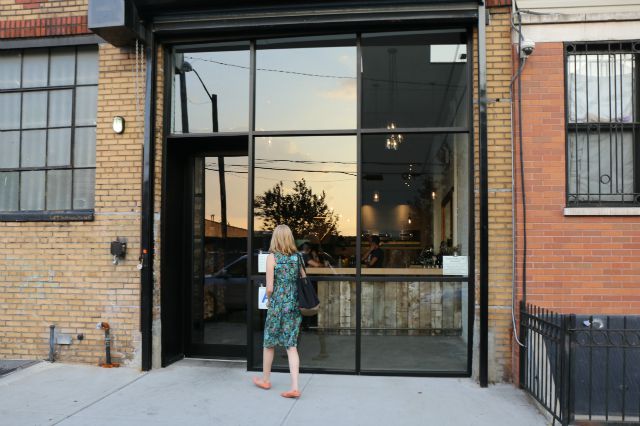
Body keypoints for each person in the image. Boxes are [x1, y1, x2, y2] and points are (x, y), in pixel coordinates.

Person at [253, 224, 303, 398]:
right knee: (291, 345)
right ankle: (295, 387)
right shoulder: (298, 258)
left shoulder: (272, 257)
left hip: (277, 306)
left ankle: (266, 380)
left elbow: (269, 287)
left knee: (269, 342)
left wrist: (268, 299)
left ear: (275, 238)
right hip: (293, 305)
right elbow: (303, 280)